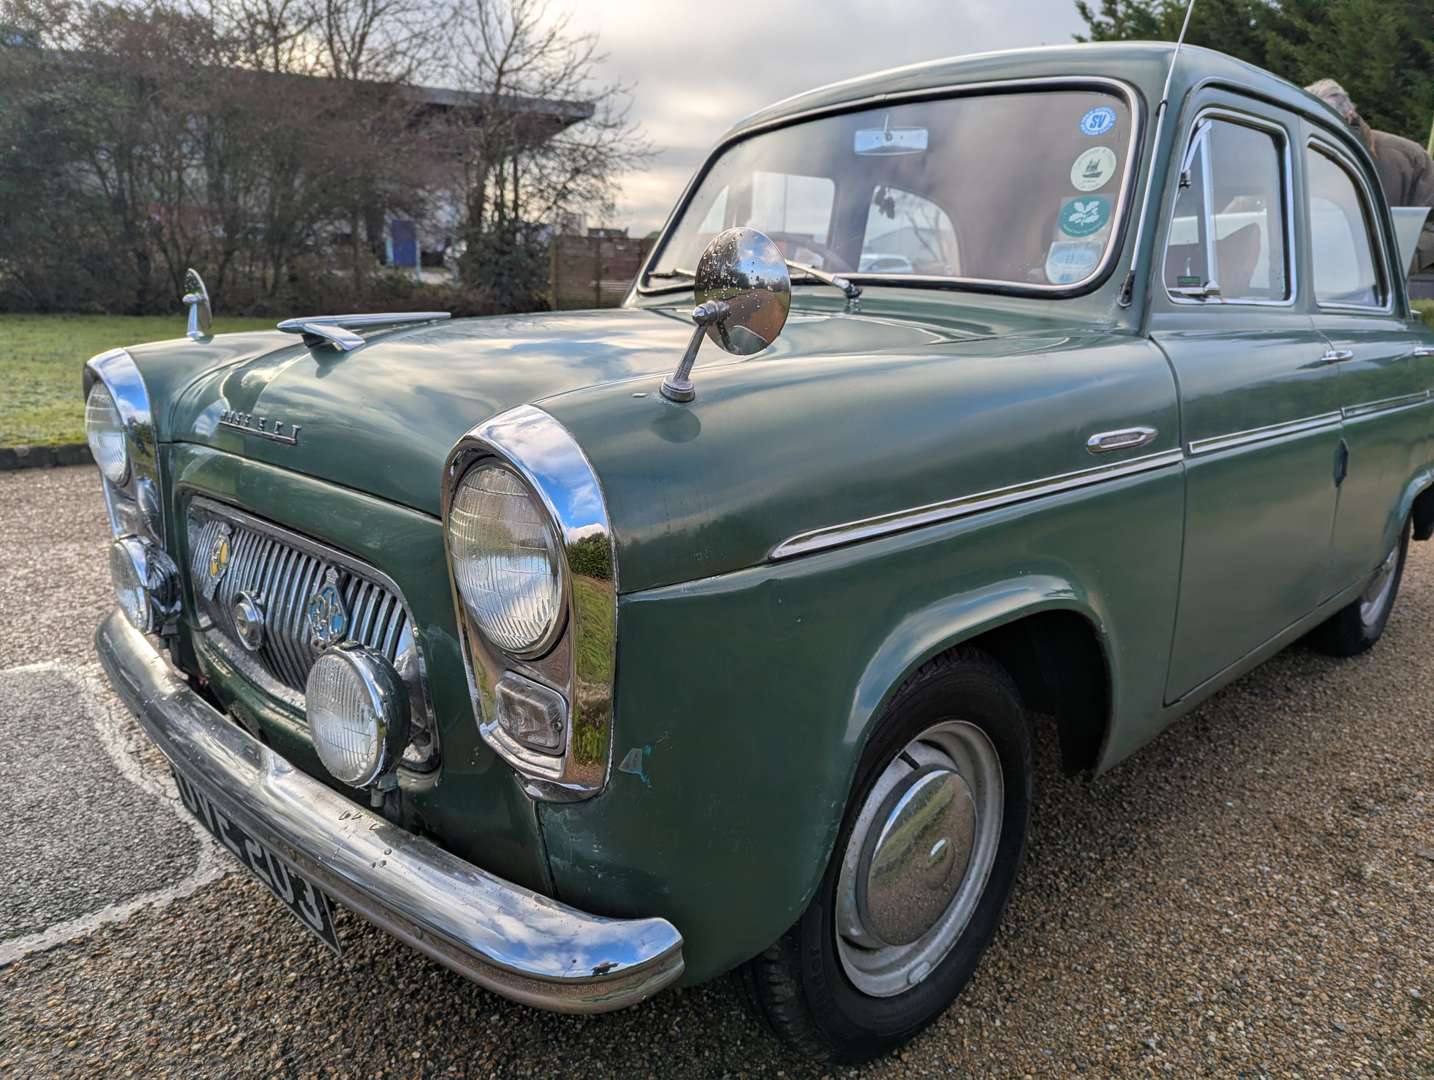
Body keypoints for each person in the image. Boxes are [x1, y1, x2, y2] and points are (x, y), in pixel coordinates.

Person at [1306, 79, 1434, 273]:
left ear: (1349, 116)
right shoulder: (1294, 153)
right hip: (1312, 278)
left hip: (1391, 287)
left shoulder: (1408, 157)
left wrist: (1393, 265)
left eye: (1328, 125)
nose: (1322, 134)